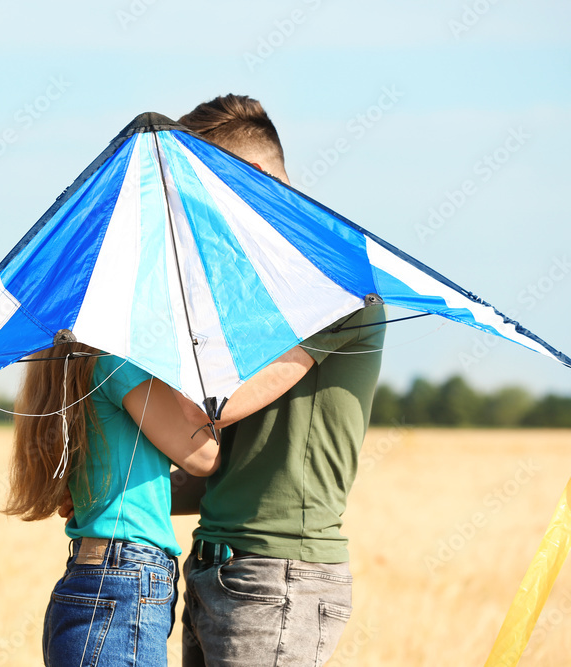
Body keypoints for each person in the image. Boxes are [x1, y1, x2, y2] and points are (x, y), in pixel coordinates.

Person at [171, 95, 387, 666]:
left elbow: (220, 407)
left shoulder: (332, 278)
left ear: (260, 175)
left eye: (208, 189)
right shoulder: (251, 289)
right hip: (216, 570)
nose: (200, 213)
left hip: (280, 578)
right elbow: (225, 469)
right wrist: (116, 496)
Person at [3, 342, 223, 667]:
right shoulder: (119, 363)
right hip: (123, 579)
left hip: (91, 577)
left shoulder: (67, 365)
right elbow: (204, 457)